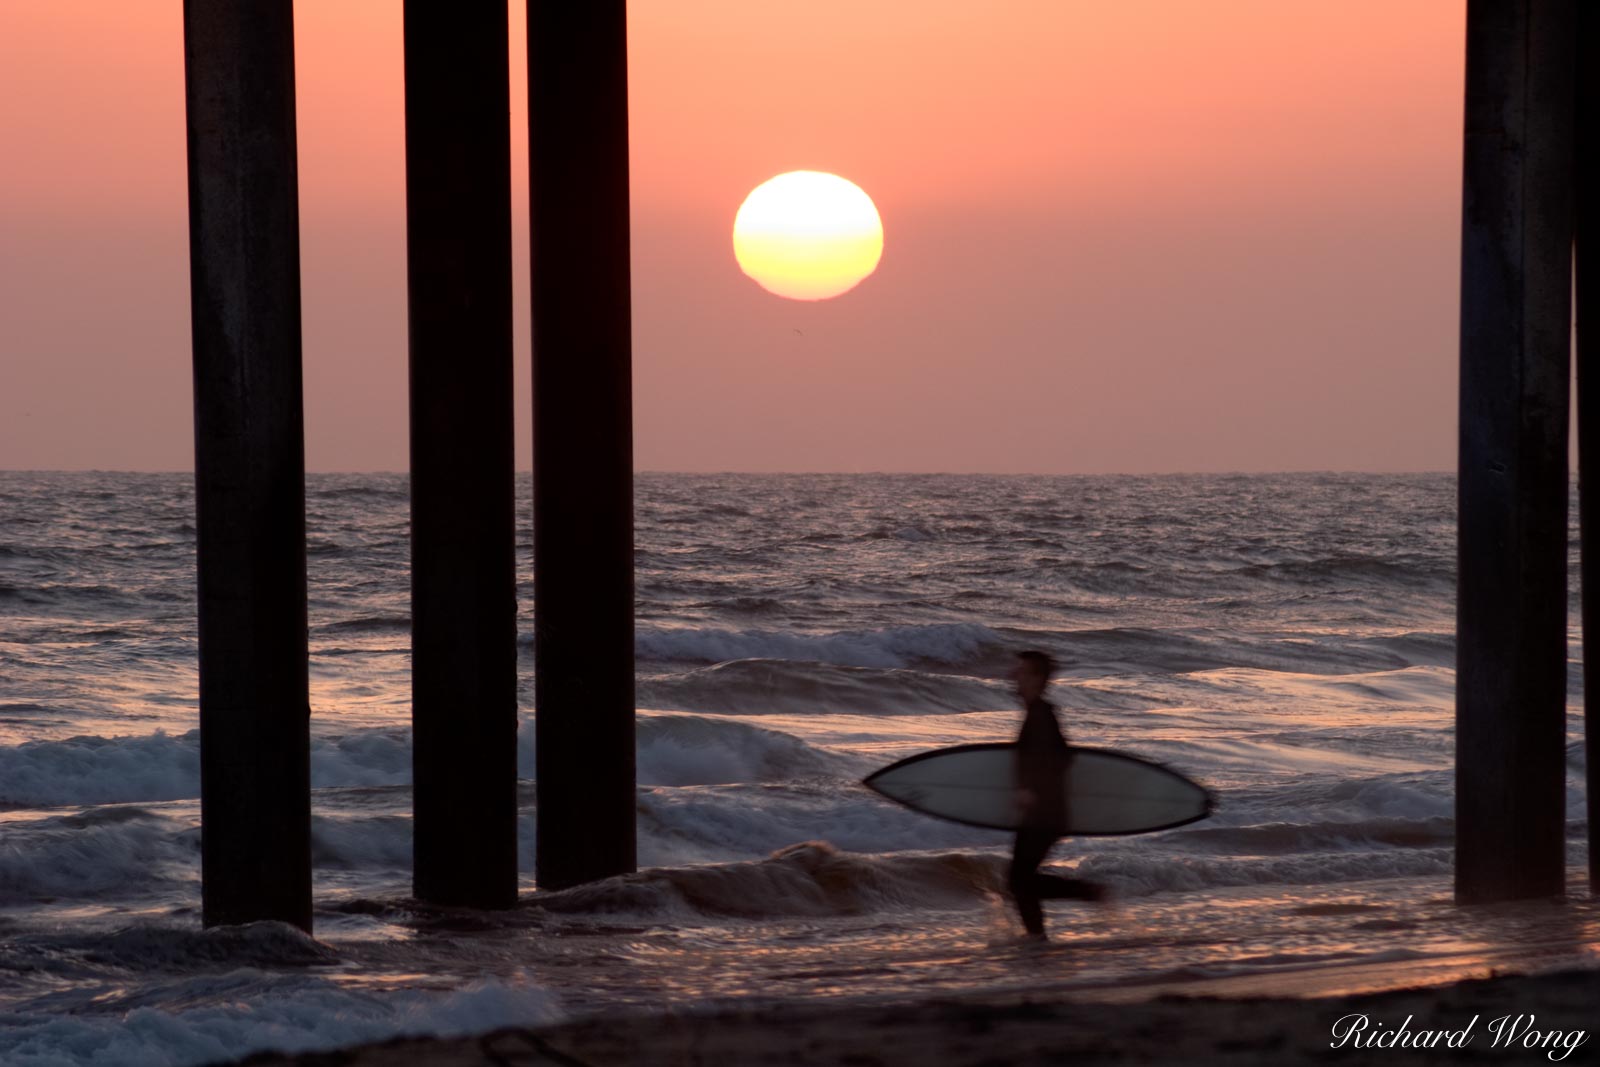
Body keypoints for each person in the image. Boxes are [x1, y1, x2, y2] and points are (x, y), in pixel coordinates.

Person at [1009, 649, 1104, 940]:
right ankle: (1038, 934)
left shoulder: (1041, 714)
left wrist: (1032, 789)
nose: (1016, 677)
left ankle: (1083, 895)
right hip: (1046, 812)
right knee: (1018, 879)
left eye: (1023, 672)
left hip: (1045, 813)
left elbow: (1058, 760)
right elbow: (1063, 757)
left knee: (1018, 879)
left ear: (1038, 679)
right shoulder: (1039, 713)